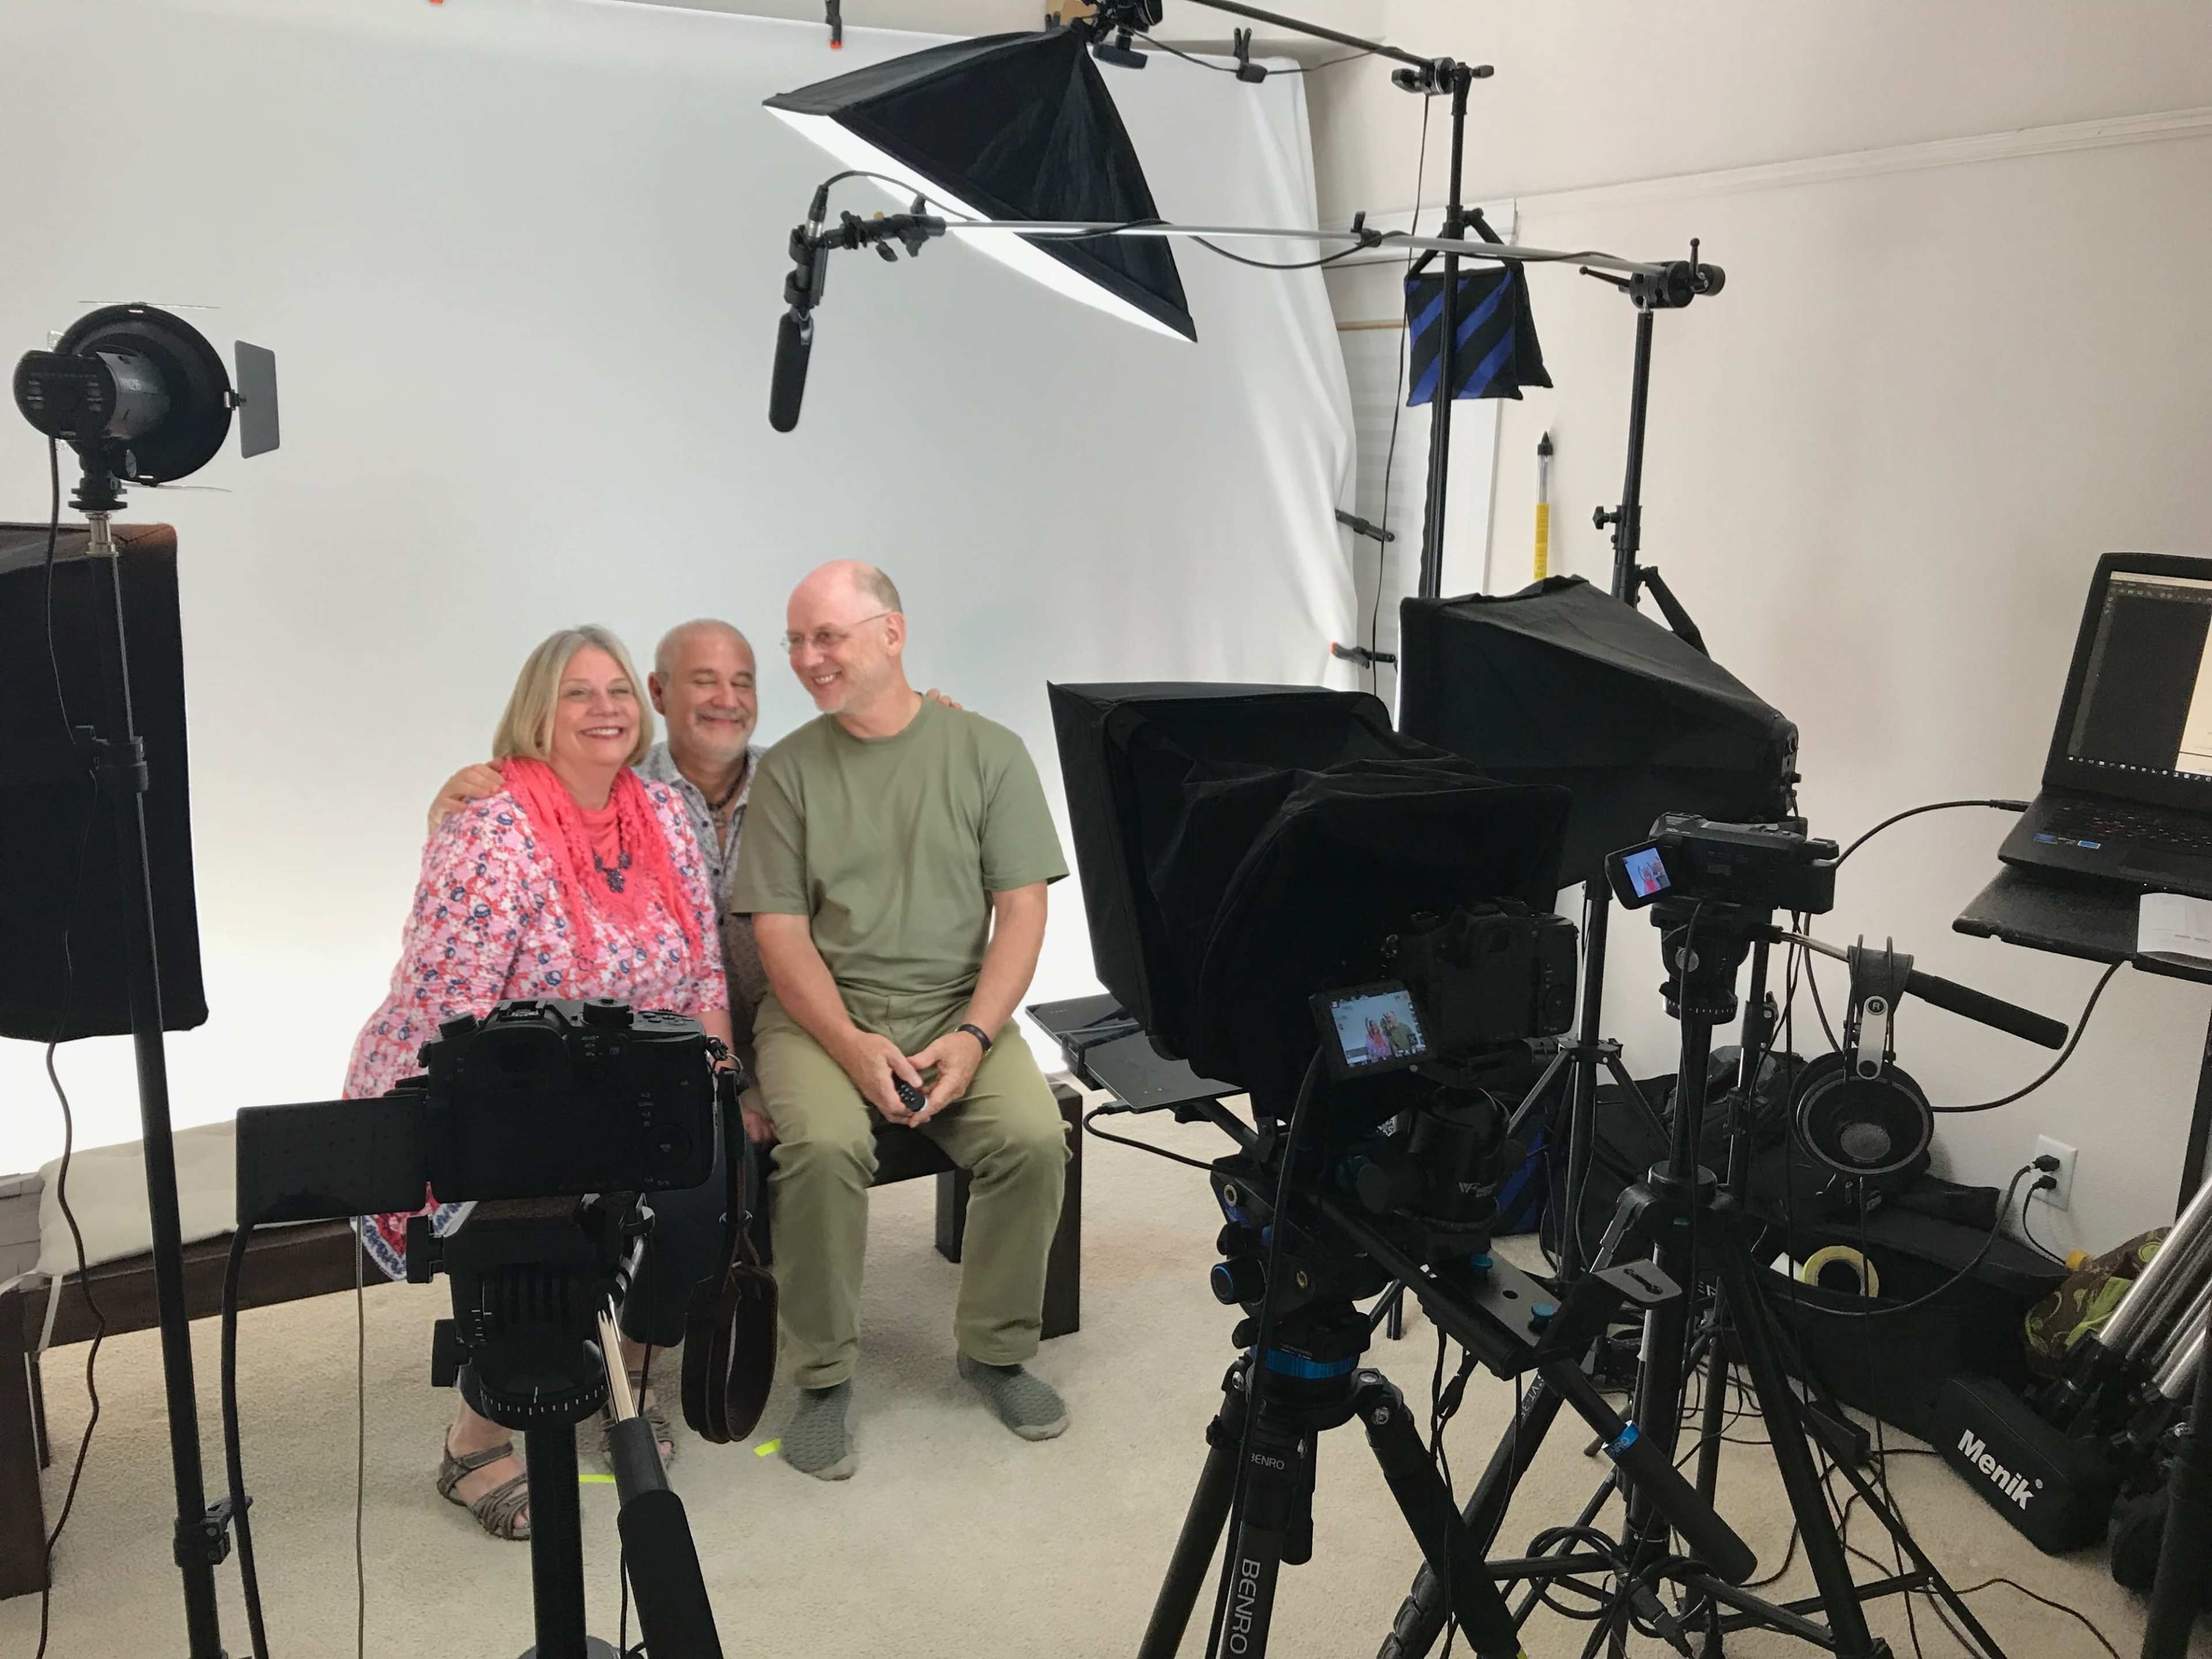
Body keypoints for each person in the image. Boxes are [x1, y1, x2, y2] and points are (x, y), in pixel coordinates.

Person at [346, 624, 733, 1541]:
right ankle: (474, 1439)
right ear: (538, 713)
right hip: (494, 1085)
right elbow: (451, 1010)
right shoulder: (491, 827)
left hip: (626, 1080)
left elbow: (704, 972)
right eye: (578, 693)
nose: (605, 709)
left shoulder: (667, 815)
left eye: (618, 691)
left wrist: (718, 1081)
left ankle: (626, 1373)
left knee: (706, 1190)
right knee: (531, 1213)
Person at [732, 559, 1070, 1482]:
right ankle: (823, 1378)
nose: (807, 658)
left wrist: (974, 1036)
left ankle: (995, 1352)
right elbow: (779, 935)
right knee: (824, 1148)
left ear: (892, 633)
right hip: (819, 1019)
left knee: (1034, 1140)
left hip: (955, 1009)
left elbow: (1023, 909)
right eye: (795, 642)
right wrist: (849, 1045)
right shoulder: (790, 771)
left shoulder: (990, 752)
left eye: (826, 637)